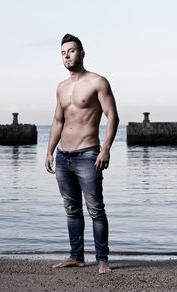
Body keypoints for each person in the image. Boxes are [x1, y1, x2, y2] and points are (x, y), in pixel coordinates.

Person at [45, 34, 119, 274]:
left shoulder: (98, 82)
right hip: (63, 156)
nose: (67, 55)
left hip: (88, 154)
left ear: (82, 53)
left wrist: (105, 149)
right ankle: (76, 257)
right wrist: (49, 152)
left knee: (96, 209)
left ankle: (102, 260)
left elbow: (113, 117)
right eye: (63, 52)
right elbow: (57, 121)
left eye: (71, 51)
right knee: (72, 209)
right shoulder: (61, 87)